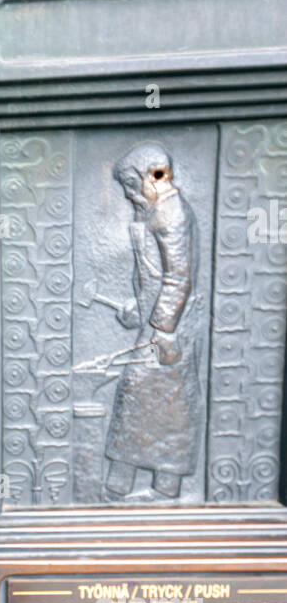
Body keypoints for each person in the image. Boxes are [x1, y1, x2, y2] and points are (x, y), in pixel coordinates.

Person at [104, 143, 202, 500]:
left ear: (154, 176)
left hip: (169, 330)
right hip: (157, 321)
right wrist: (137, 305)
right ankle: (129, 484)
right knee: (146, 401)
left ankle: (158, 488)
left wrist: (162, 329)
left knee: (158, 401)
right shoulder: (155, 211)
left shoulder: (171, 214)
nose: (129, 195)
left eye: (132, 186)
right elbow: (154, 276)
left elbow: (178, 278)